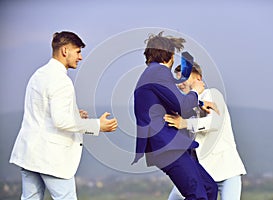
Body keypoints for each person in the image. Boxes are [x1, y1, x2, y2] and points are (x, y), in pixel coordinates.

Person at [9, 31, 118, 200]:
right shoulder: (61, 80)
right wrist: (97, 125)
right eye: (78, 51)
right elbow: (61, 121)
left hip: (29, 152)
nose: (80, 57)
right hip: (51, 157)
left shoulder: (38, 75)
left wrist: (74, 114)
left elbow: (42, 112)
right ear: (65, 51)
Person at [132, 31, 218, 200]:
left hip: (172, 145)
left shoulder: (152, 73)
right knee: (198, 195)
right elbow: (183, 107)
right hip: (167, 146)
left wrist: (199, 104)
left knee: (209, 189)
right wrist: (196, 91)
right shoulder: (159, 72)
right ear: (170, 55)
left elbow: (170, 101)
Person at [165, 63, 246, 200]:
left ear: (198, 79)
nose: (179, 84)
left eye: (183, 78)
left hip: (226, 170)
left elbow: (214, 122)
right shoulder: (184, 104)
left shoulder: (212, 94)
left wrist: (185, 123)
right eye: (177, 80)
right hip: (198, 172)